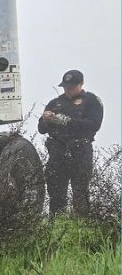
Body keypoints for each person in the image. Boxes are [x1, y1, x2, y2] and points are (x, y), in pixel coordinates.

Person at [38, 69, 104, 214]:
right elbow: (41, 129)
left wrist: (67, 122)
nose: (68, 90)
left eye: (72, 87)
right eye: (66, 87)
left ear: (81, 84)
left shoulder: (91, 101)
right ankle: (56, 227)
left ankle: (81, 227)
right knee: (56, 194)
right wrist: (46, 120)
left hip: (80, 151)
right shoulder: (55, 103)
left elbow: (94, 124)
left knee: (80, 193)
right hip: (57, 152)